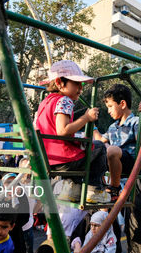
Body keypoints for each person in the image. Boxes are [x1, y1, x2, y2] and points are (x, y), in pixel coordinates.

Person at [35, 60, 110, 203]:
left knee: (78, 149)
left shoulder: (44, 103)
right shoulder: (64, 100)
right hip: (64, 160)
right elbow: (62, 131)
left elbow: (42, 129)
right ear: (59, 82)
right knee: (99, 147)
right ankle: (94, 189)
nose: (80, 88)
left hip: (48, 160)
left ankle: (72, 189)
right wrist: (86, 118)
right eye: (76, 83)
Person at [93, 84, 141, 201]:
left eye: (110, 106)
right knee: (94, 150)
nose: (108, 111)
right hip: (114, 161)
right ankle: (95, 185)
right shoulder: (113, 126)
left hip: (131, 163)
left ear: (122, 104)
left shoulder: (135, 121)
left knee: (111, 150)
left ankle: (114, 188)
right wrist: (92, 126)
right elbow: (100, 140)